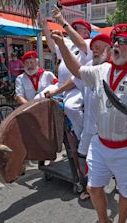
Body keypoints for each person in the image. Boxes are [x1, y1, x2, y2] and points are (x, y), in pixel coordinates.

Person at [50, 23, 127, 223]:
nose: (116, 44)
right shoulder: (103, 69)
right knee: (93, 188)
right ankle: (104, 220)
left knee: (126, 193)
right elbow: (77, 70)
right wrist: (62, 45)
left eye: (123, 41)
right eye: (115, 40)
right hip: (100, 144)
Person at [45, 34, 112, 201]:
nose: (95, 51)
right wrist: (56, 91)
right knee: (89, 158)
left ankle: (115, 182)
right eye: (94, 48)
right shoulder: (89, 66)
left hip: (109, 129)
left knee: (110, 161)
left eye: (100, 47)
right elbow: (74, 80)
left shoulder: (115, 70)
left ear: (109, 50)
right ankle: (93, 187)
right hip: (90, 127)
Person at [40, 5, 92, 141]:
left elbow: (76, 76)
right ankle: (44, 135)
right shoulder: (69, 44)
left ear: (86, 31)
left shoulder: (89, 44)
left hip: (77, 87)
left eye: (74, 29)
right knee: (37, 99)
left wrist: (62, 21)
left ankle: (83, 137)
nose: (69, 31)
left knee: (71, 108)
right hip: (61, 85)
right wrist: (45, 26)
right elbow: (52, 47)